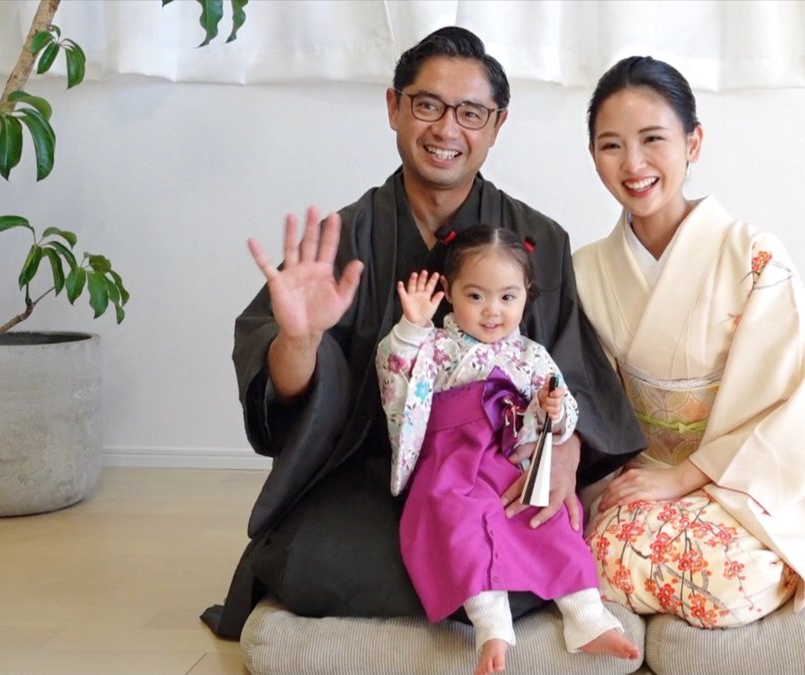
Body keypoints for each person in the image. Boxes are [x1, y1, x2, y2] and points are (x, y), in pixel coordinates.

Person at [200, 27, 645, 640]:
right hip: (373, 478)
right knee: (306, 561)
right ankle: (474, 585)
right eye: (428, 104)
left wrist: (563, 451)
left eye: (471, 112)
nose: (447, 129)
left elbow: (571, 374)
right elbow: (284, 401)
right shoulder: (345, 239)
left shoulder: (536, 239)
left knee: (528, 538)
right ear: (395, 107)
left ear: (497, 124)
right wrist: (300, 340)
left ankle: (479, 578)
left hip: (494, 477)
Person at [574, 56, 805, 629]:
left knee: (735, 575)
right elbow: (585, 405)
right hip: (640, 480)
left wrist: (683, 478)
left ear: (693, 142)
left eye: (653, 139)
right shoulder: (587, 271)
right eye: (611, 145)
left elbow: (788, 408)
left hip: (738, 485)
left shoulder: (755, 256)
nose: (634, 164)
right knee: (592, 548)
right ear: (592, 154)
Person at [378, 225, 639, 674]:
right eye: (475, 296)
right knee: (463, 529)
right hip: (452, 465)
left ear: (526, 296)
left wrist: (553, 409)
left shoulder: (530, 355)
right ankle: (492, 628)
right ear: (448, 291)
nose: (492, 311)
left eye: (507, 297)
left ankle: (588, 619)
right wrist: (411, 327)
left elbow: (562, 413)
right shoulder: (437, 346)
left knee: (553, 520)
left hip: (508, 459)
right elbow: (397, 375)